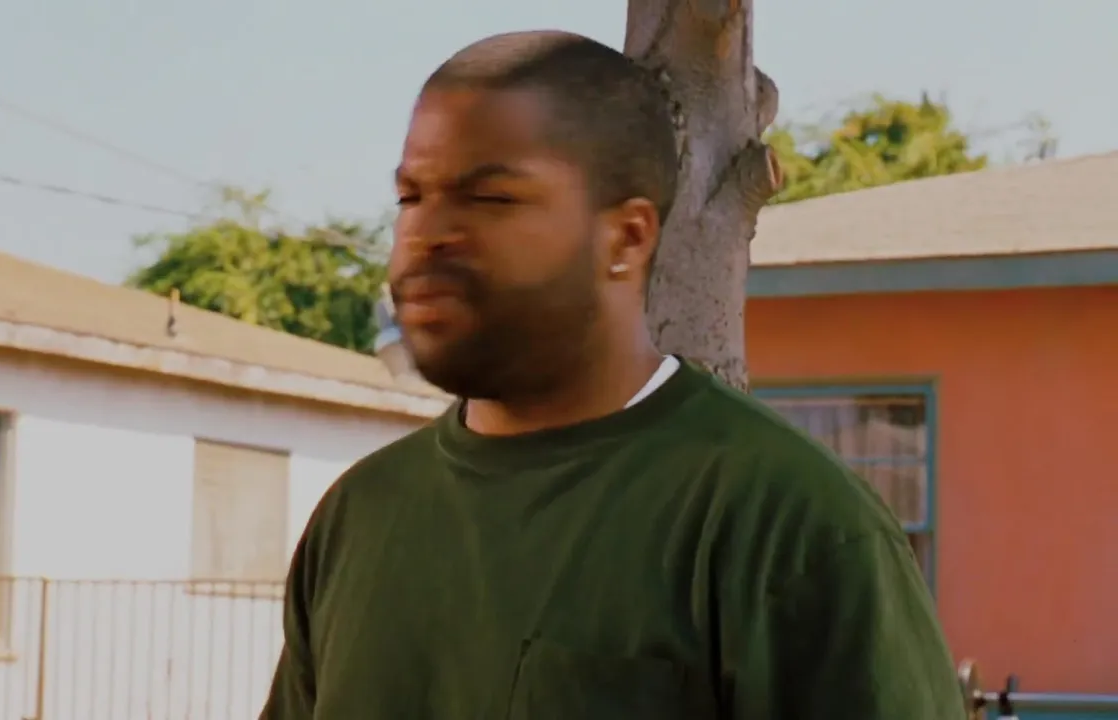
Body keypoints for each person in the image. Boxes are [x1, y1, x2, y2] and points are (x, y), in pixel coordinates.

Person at [262, 30, 965, 720]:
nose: (427, 233)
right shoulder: (359, 515)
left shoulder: (789, 526)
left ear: (627, 237)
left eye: (492, 198)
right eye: (411, 197)